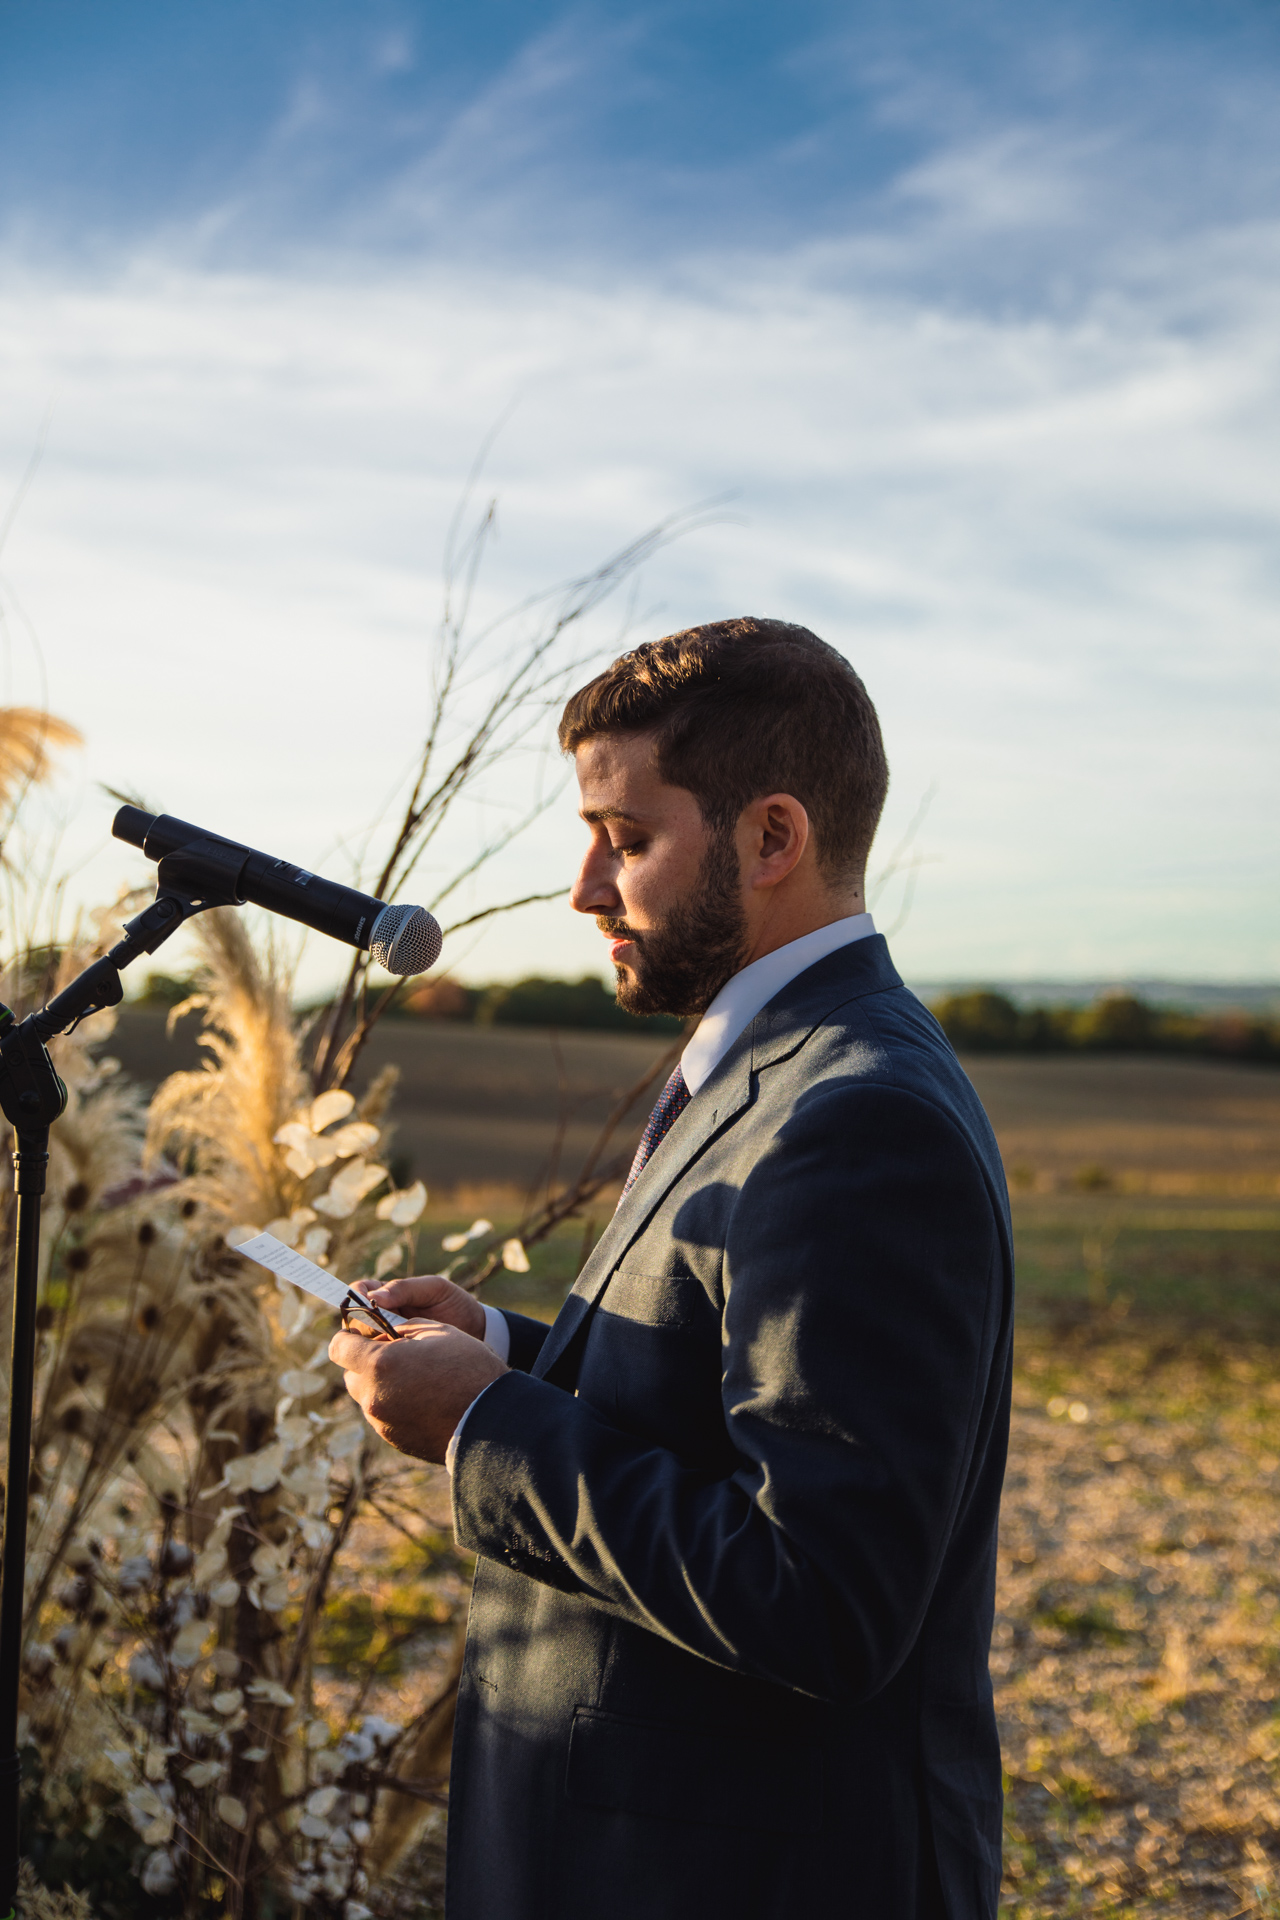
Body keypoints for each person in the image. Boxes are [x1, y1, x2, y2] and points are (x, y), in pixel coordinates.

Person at [330, 618, 1013, 1920]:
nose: (586, 889)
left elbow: (821, 1597)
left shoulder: (859, 1119)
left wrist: (484, 1421)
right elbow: (725, 1388)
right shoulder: (774, 1067)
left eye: (628, 840)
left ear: (771, 839)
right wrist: (516, 1350)